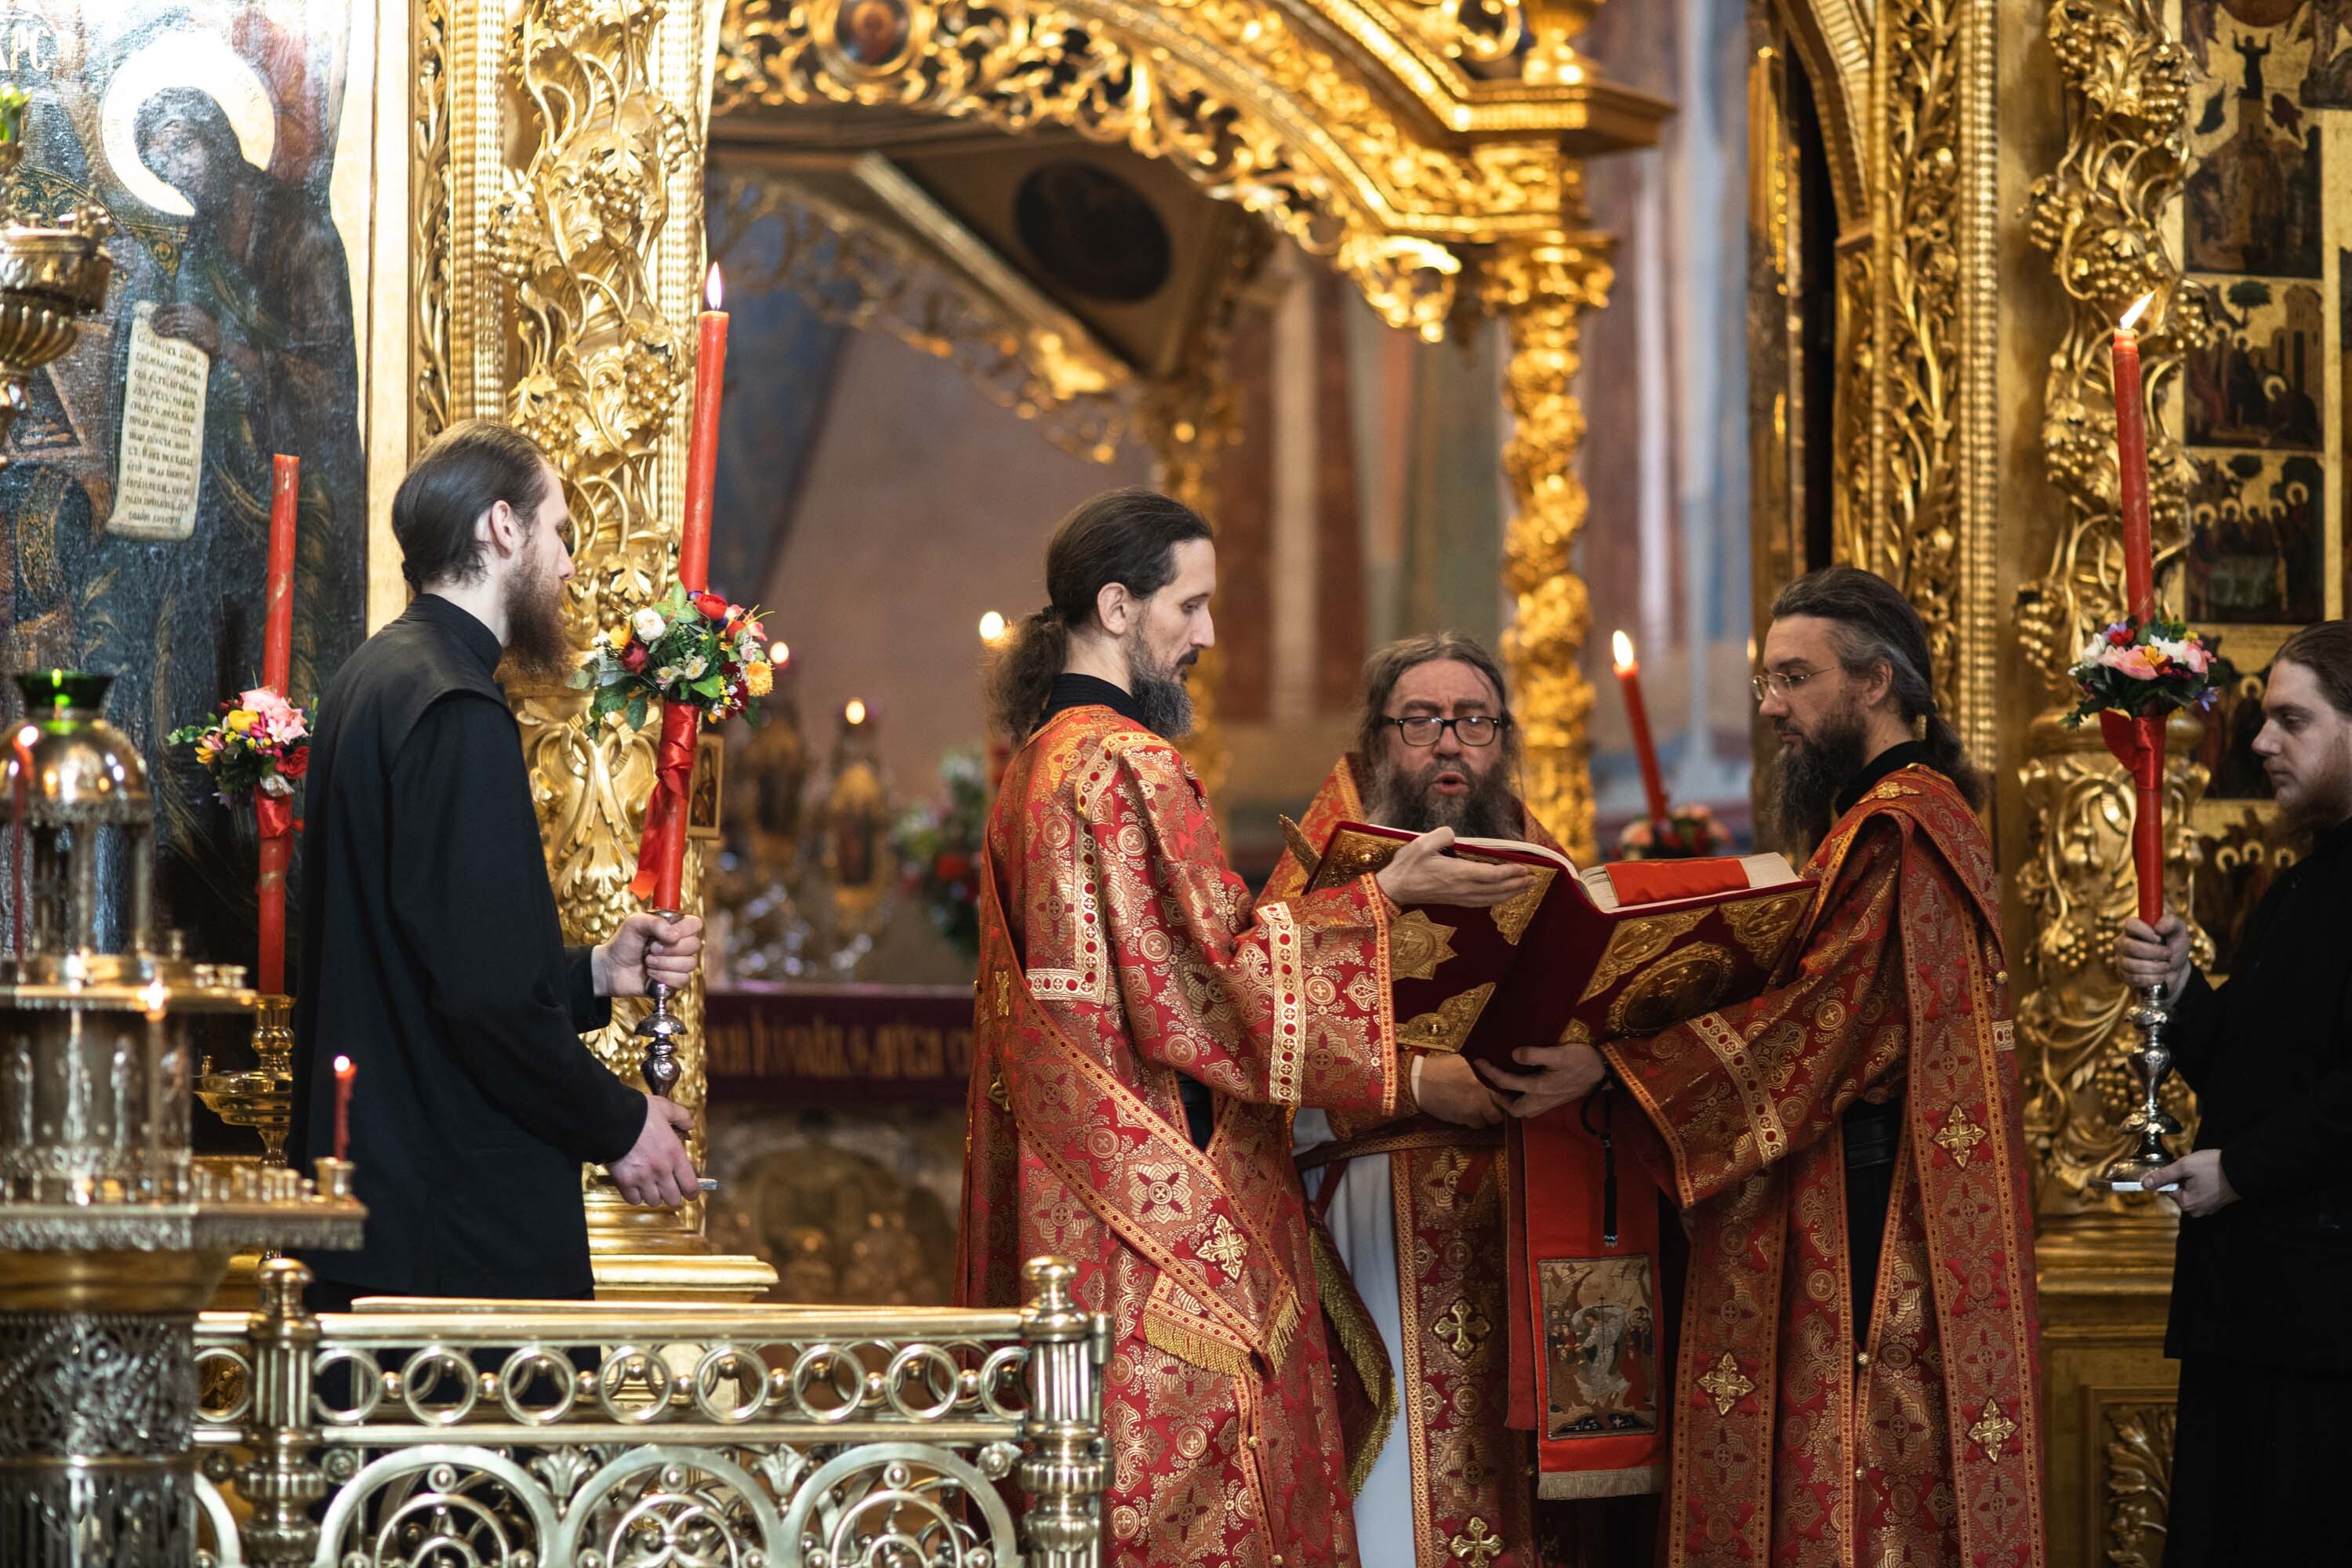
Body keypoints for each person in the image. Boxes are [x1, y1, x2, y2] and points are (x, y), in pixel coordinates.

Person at [959, 490, 1528, 1568]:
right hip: (1168, 1219)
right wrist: (1385, 897)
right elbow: (1214, 983)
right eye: (1191, 605)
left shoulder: (1035, 764)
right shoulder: (1129, 764)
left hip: (1083, 1194)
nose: (1208, 634)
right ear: (1116, 606)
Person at [1479, 566, 2046, 1566]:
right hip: (1848, 1176)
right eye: (1766, 680)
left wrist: (1609, 1067)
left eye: (1795, 677)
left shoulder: (1900, 830)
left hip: (1869, 1210)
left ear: (1875, 681)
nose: (1772, 705)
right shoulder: (1888, 820)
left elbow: (1816, 1024)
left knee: (1859, 1478)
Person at [286, 419, 703, 1310]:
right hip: (451, 1240)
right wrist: (621, 1125)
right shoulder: (455, 706)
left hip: (377, 1219)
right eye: (560, 532)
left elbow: (422, 956)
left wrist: (597, 970)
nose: (570, 566)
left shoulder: (372, 678)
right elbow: (484, 1000)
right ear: (502, 526)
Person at [1261, 633, 1557, 1568]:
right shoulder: (1324, 882)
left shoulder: (1545, 866)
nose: (1449, 742)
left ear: (1502, 738)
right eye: (1421, 720)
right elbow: (1268, 1037)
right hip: (1375, 1216)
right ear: (1379, 740)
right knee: (1396, 1504)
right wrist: (1426, 1082)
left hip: (1520, 1216)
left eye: (1473, 721)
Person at [2115, 619, 2352, 1568]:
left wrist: (2240, 1171)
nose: (2259, 741)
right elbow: (2254, 1074)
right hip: (2257, 1306)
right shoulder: (2300, 886)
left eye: (2292, 720)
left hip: (2323, 1326)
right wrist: (2182, 987)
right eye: (2265, 718)